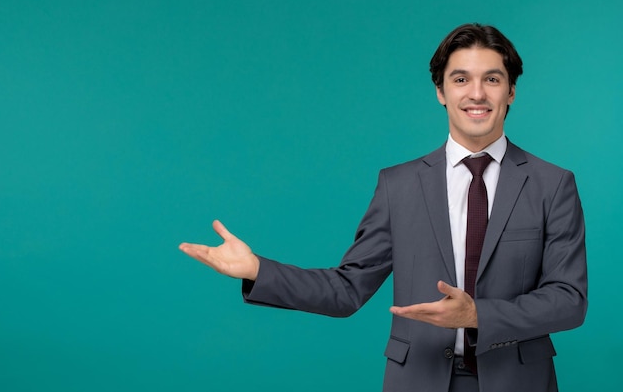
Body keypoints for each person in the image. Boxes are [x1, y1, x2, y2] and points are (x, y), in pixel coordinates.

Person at [179, 23, 588, 392]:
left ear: (511, 91)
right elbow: (346, 290)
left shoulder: (553, 184)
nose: (477, 93)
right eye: (461, 79)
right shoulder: (399, 186)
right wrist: (257, 270)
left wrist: (478, 314)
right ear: (441, 92)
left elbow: (569, 300)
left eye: (492, 79)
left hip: (519, 382)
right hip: (417, 381)